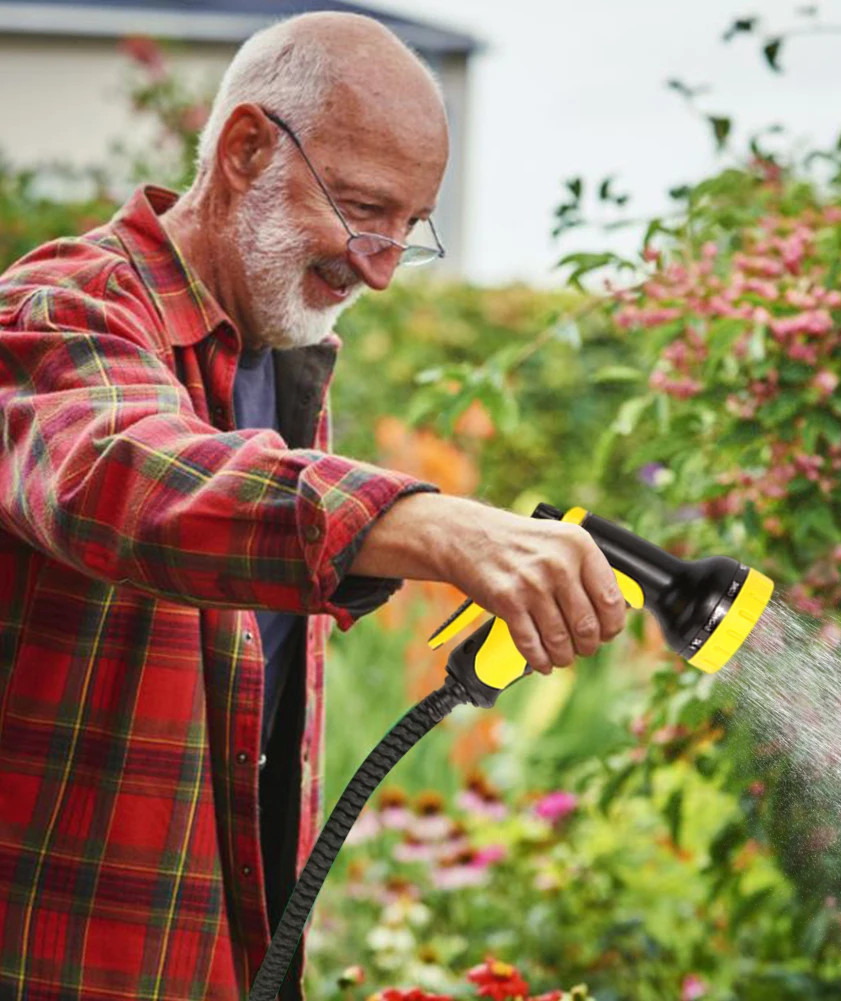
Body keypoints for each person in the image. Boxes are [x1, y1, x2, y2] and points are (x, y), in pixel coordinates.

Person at [0, 11, 627, 1001]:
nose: (378, 265)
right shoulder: (63, 309)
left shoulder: (281, 367)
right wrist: (429, 522)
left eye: (405, 232)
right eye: (365, 210)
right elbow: (124, 474)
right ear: (247, 148)